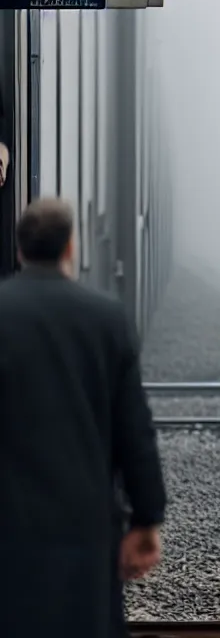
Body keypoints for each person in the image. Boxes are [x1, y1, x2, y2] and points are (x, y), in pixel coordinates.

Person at [0, 198, 166, 638]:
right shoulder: (106, 318)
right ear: (71, 248)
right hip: (84, 523)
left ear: (20, 250)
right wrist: (147, 518)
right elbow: (135, 429)